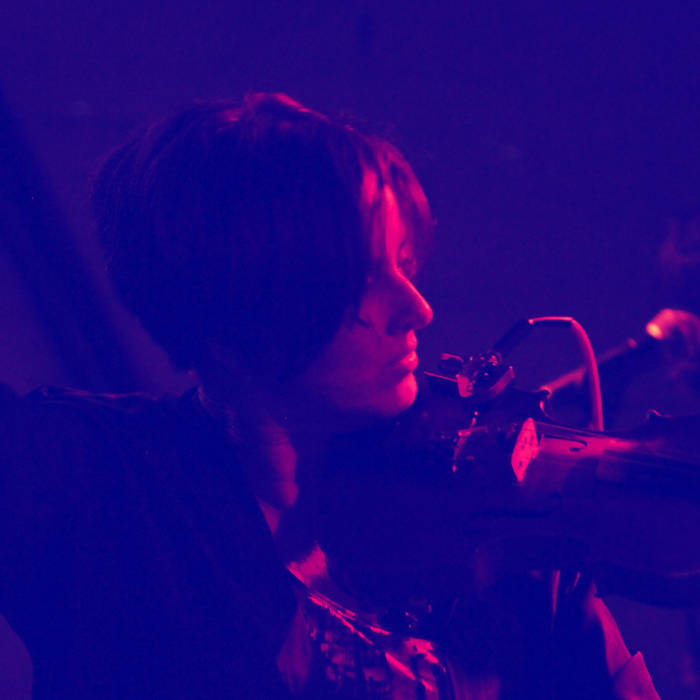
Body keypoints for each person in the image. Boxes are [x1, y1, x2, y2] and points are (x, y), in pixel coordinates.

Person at [0, 93, 660, 698]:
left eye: (405, 263)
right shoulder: (95, 484)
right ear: (237, 313)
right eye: (363, 279)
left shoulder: (494, 533)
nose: (418, 308)